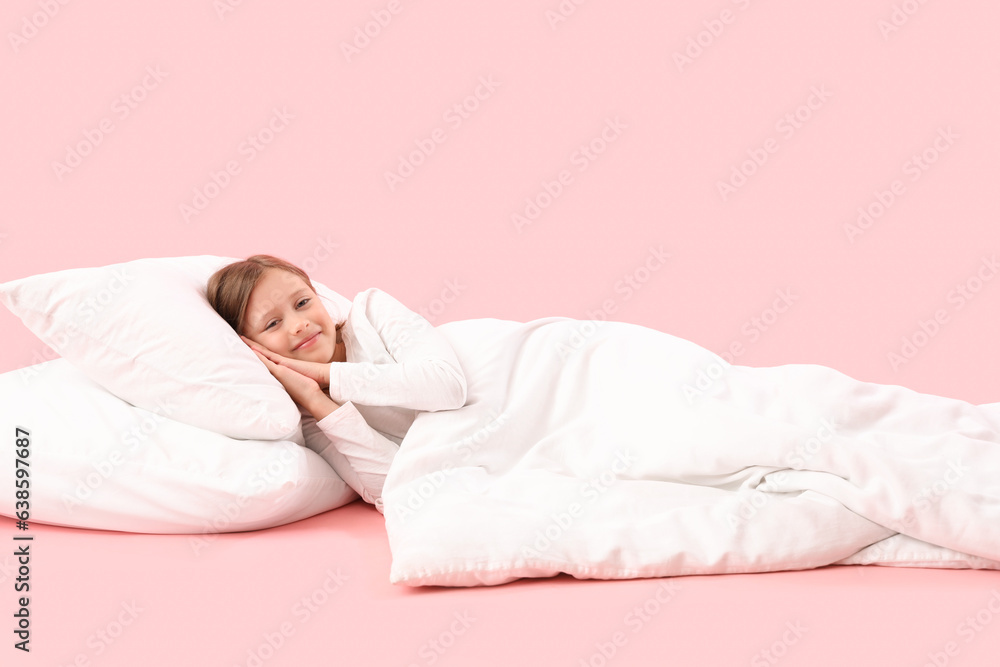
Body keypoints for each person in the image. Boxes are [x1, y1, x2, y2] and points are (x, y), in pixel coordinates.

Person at [206, 254, 468, 513]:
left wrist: (327, 374)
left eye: (302, 302)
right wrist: (317, 400)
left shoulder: (371, 313)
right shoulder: (316, 418)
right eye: (273, 323)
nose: (300, 324)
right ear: (253, 349)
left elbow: (449, 387)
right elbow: (396, 489)